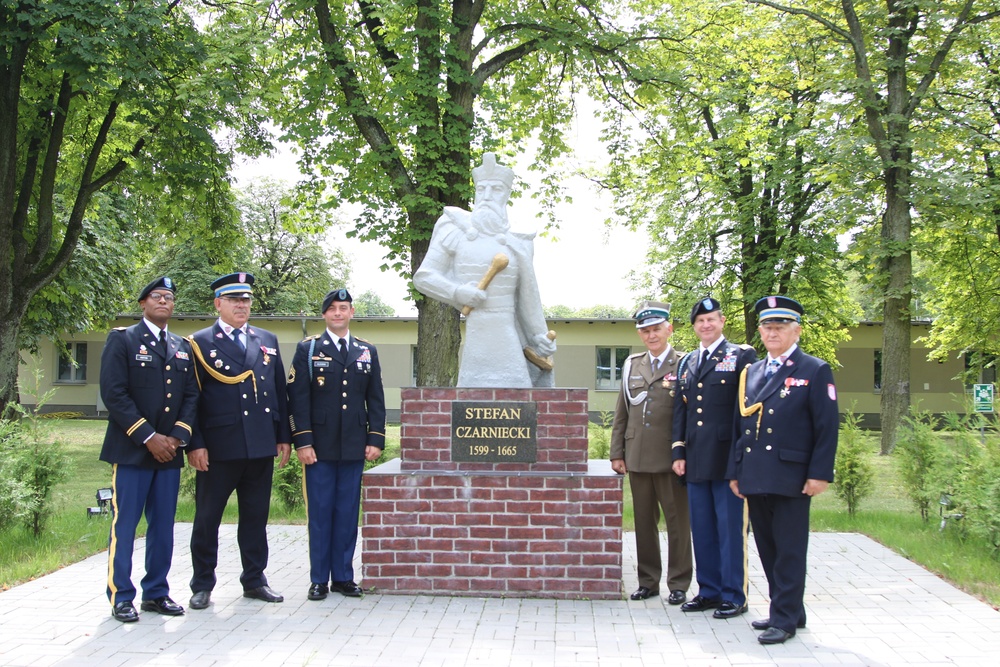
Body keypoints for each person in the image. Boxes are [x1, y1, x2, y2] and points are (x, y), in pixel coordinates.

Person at [727, 295, 838, 645]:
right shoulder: (753, 371)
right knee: (768, 547)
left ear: (797, 331)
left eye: (780, 326)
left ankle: (785, 619)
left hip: (792, 476)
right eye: (767, 326)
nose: (772, 333)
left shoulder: (814, 370)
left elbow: (826, 427)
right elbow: (739, 427)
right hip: (757, 474)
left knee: (789, 549)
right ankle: (788, 609)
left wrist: (819, 474)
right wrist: (735, 471)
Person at [185, 272, 292, 610]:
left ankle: (254, 579)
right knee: (207, 519)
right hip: (219, 447)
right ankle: (202, 584)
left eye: (245, 300)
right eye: (234, 300)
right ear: (218, 304)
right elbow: (192, 398)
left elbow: (279, 392)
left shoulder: (267, 339)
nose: (241, 306)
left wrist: (283, 436)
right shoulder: (199, 342)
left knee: (255, 517)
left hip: (259, 444)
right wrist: (195, 443)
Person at [98, 276, 198, 623]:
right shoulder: (123, 339)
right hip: (131, 451)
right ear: (143, 303)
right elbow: (114, 393)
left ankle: (156, 592)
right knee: (125, 524)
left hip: (168, 454)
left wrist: (175, 438)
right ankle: (121, 595)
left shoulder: (182, 346)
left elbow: (190, 397)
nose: (163, 302)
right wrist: (148, 437)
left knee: (163, 527)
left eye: (169, 297)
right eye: (157, 296)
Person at [413, 152, 556, 388]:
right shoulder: (453, 226)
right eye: (482, 190)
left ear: (507, 194)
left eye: (496, 190)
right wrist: (457, 292)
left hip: (507, 332)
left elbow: (527, 298)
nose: (487, 196)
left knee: (518, 397)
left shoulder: (520, 240)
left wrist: (538, 336)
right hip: (478, 333)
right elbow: (424, 277)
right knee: (471, 395)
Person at [286, 288, 386, 600]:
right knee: (320, 514)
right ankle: (319, 579)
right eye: (332, 309)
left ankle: (343, 576)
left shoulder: (366, 350)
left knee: (346, 514)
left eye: (344, 308)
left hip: (354, 446)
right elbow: (297, 399)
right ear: (325, 315)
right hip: (319, 448)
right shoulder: (309, 348)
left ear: (352, 312)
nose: (338, 313)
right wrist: (303, 441)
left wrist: (375, 438)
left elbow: (376, 399)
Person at [672, 297, 756, 620]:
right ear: (694, 327)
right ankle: (708, 590)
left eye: (711, 320)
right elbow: (682, 410)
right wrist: (678, 451)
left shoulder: (741, 355)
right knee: (703, 529)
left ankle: (735, 595)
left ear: (722, 321)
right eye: (700, 321)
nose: (706, 325)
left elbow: (746, 410)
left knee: (730, 529)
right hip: (696, 459)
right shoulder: (687, 362)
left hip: (727, 459)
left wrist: (742, 455)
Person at [610, 301, 693, 605]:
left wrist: (685, 453)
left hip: (673, 459)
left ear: (669, 329)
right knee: (644, 522)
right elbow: (623, 411)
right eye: (645, 331)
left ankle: (679, 582)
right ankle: (648, 581)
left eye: (656, 329)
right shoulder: (633, 364)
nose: (651, 335)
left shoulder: (685, 363)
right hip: (638, 455)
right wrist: (616, 452)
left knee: (677, 523)